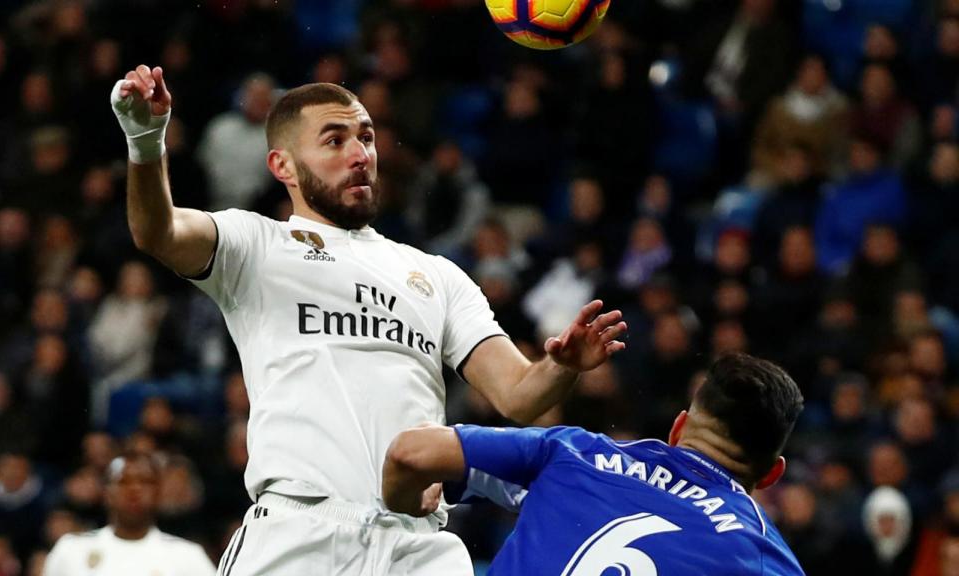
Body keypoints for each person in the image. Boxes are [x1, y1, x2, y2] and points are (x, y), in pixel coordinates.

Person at [109, 65, 627, 574]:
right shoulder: (255, 244)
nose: (360, 155)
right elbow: (159, 231)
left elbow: (518, 394)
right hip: (298, 534)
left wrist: (562, 366)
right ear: (282, 166)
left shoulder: (437, 275)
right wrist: (146, 140)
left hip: (419, 545)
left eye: (367, 137)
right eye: (334, 141)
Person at [382, 352, 806, 575]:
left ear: (678, 429)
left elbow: (410, 453)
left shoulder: (575, 452)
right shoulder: (760, 552)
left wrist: (410, 504)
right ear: (771, 474)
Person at [42, 453, 215, 576]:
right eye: (123, 482)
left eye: (145, 482)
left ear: (159, 492)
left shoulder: (187, 556)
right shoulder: (71, 550)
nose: (134, 490)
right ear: (106, 492)